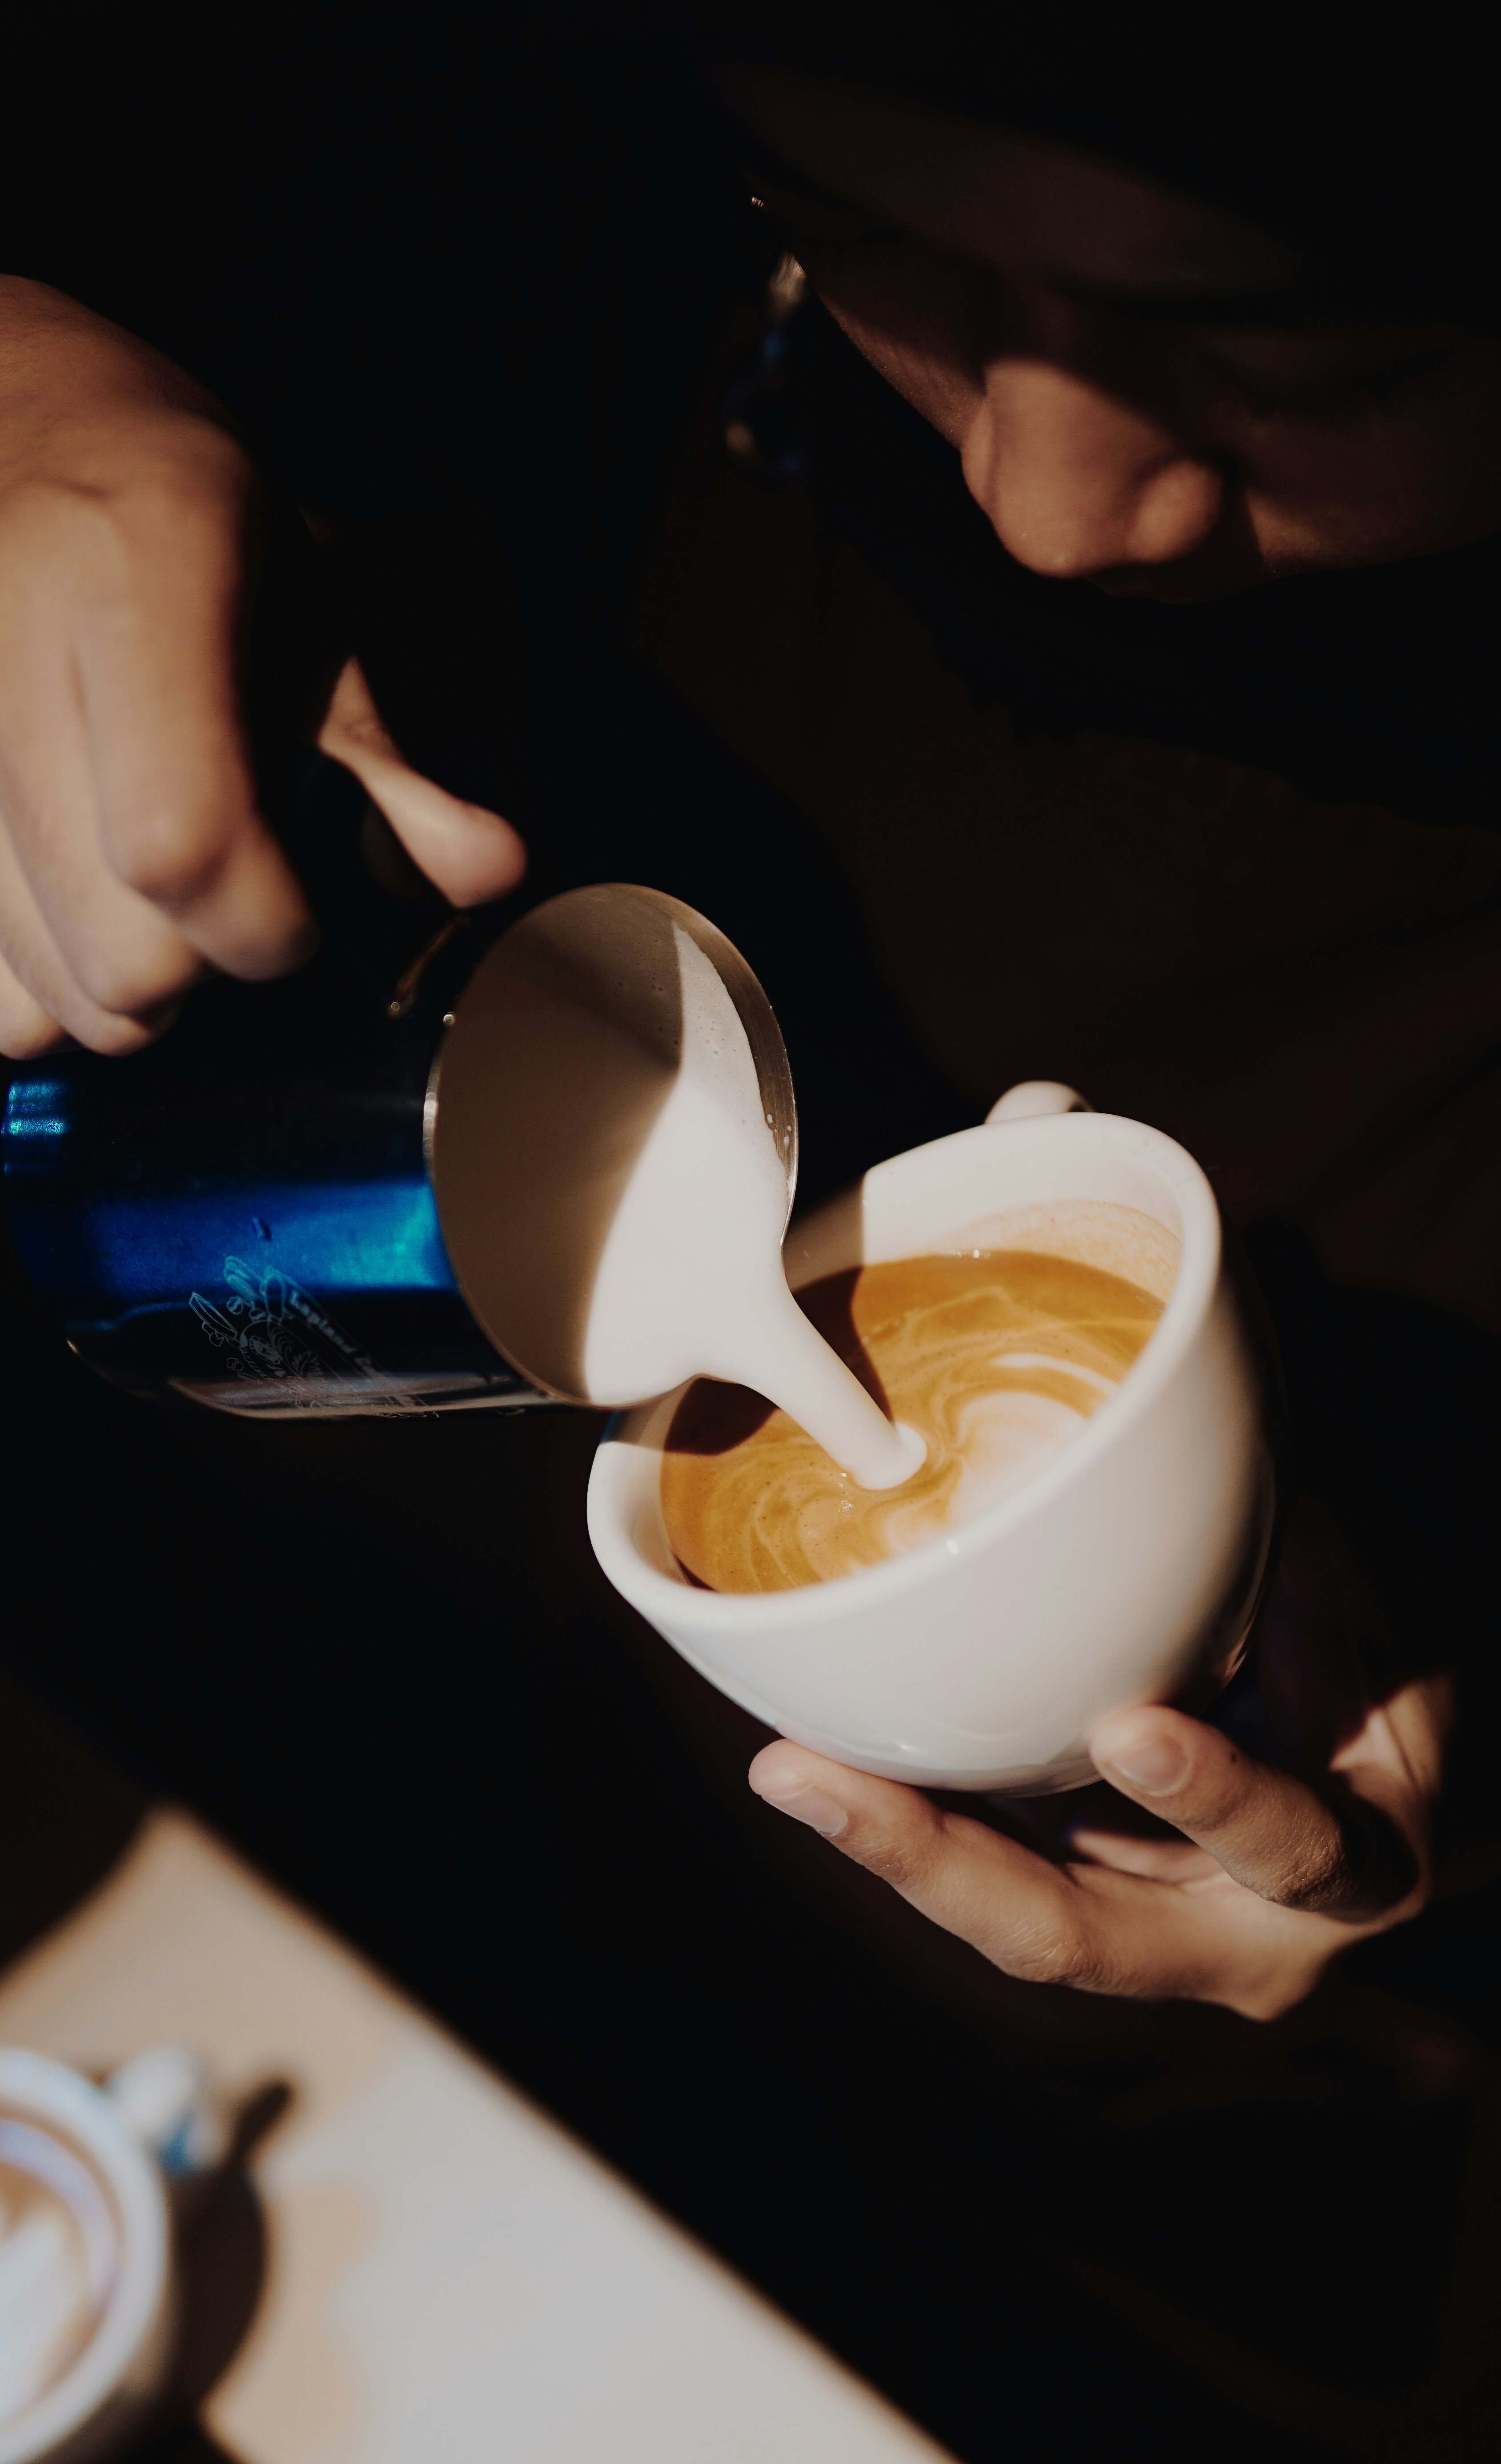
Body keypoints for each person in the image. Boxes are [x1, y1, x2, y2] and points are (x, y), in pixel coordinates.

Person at [0, 8, 1491, 2025]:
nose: (1043, 502)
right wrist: (37, 369)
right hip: (617, 1891)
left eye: (1318, 357)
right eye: (870, 240)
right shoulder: (537, 170)